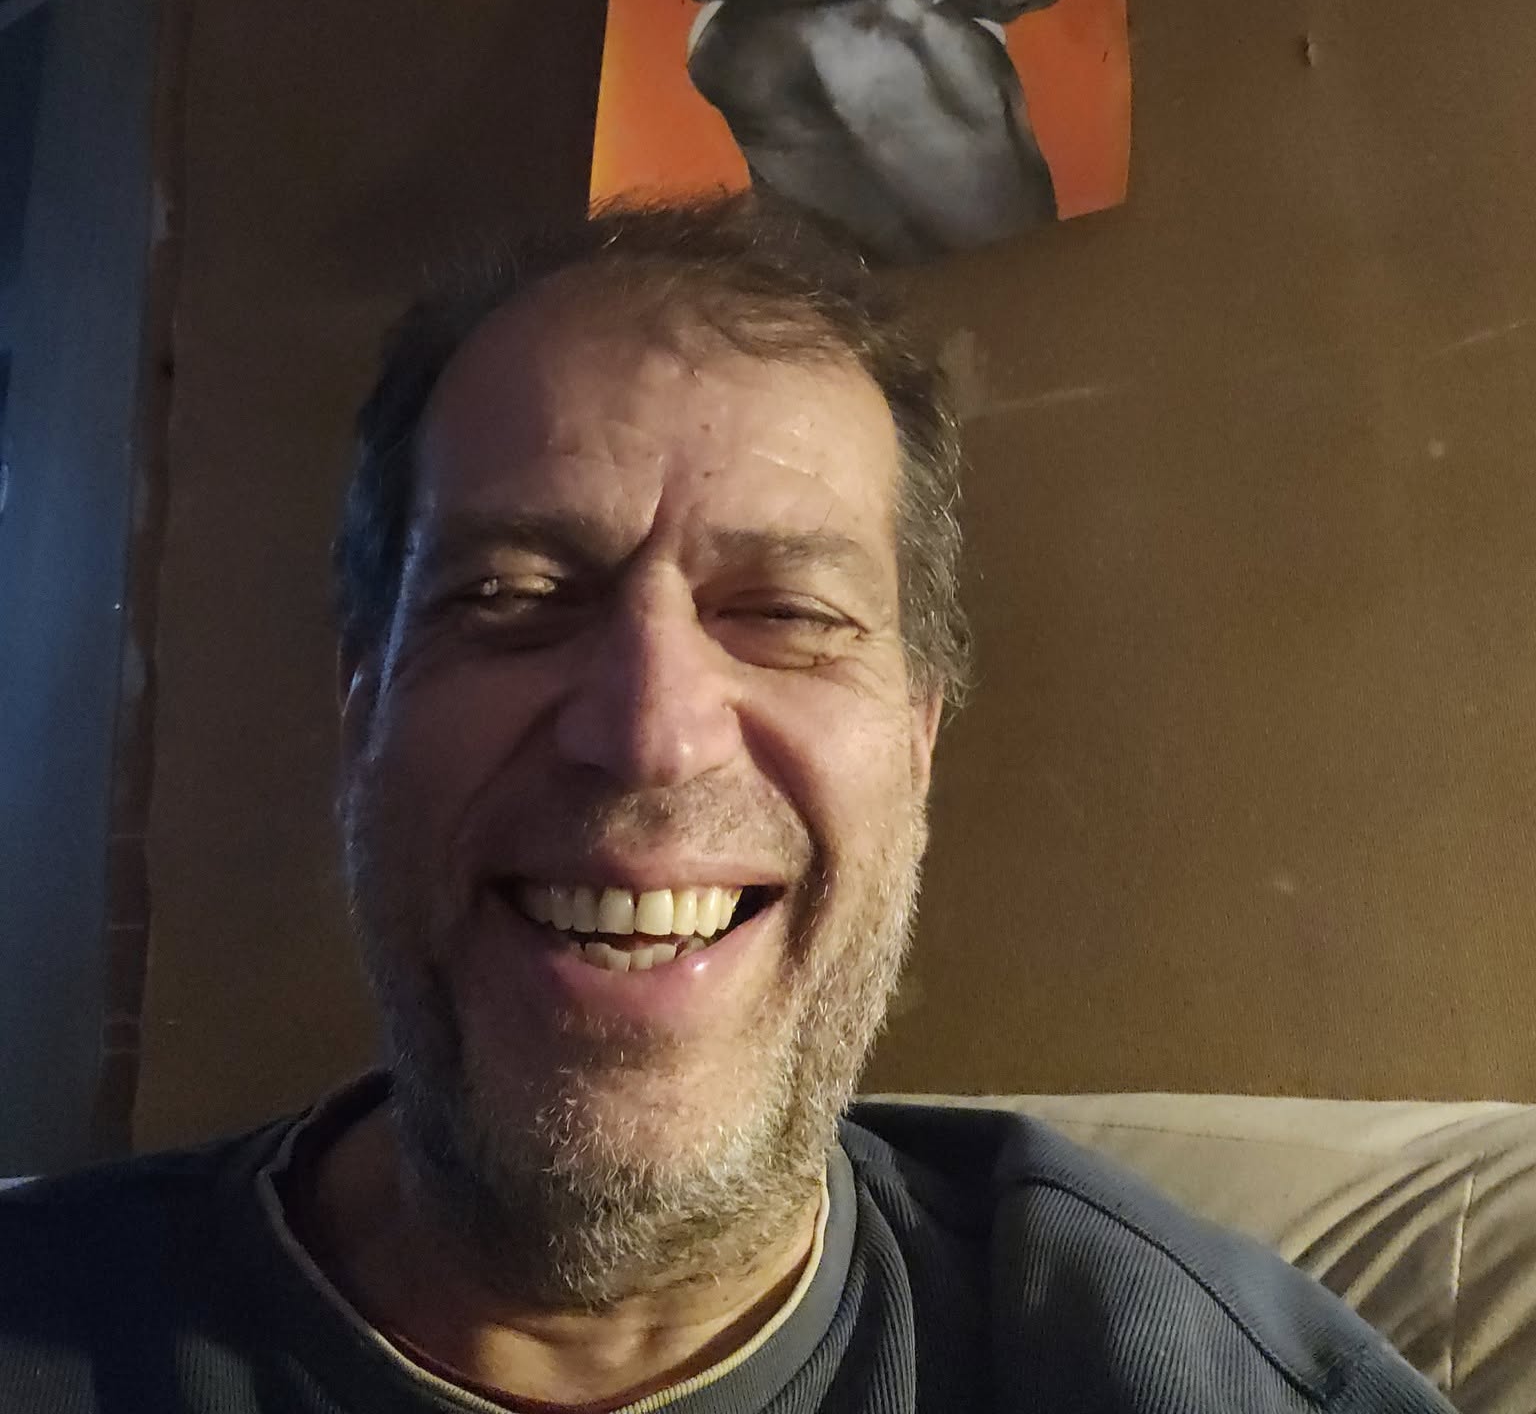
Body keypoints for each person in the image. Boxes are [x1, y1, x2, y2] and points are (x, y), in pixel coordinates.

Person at [0, 196, 1451, 1411]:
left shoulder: (1187, 1375)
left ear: (919, 744)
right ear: (361, 706)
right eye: (512, 596)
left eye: (789, 613)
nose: (651, 735)